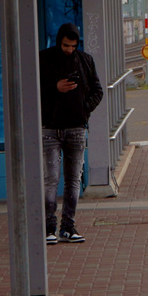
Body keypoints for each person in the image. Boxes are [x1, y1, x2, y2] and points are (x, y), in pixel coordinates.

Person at [39, 22, 103, 244]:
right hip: (49, 128)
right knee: (51, 179)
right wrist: (55, 88)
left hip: (76, 127)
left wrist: (84, 110)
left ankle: (68, 226)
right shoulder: (44, 59)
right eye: (66, 45)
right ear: (59, 41)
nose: (69, 49)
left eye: (73, 45)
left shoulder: (85, 60)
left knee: (73, 179)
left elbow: (97, 90)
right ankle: (49, 227)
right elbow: (33, 89)